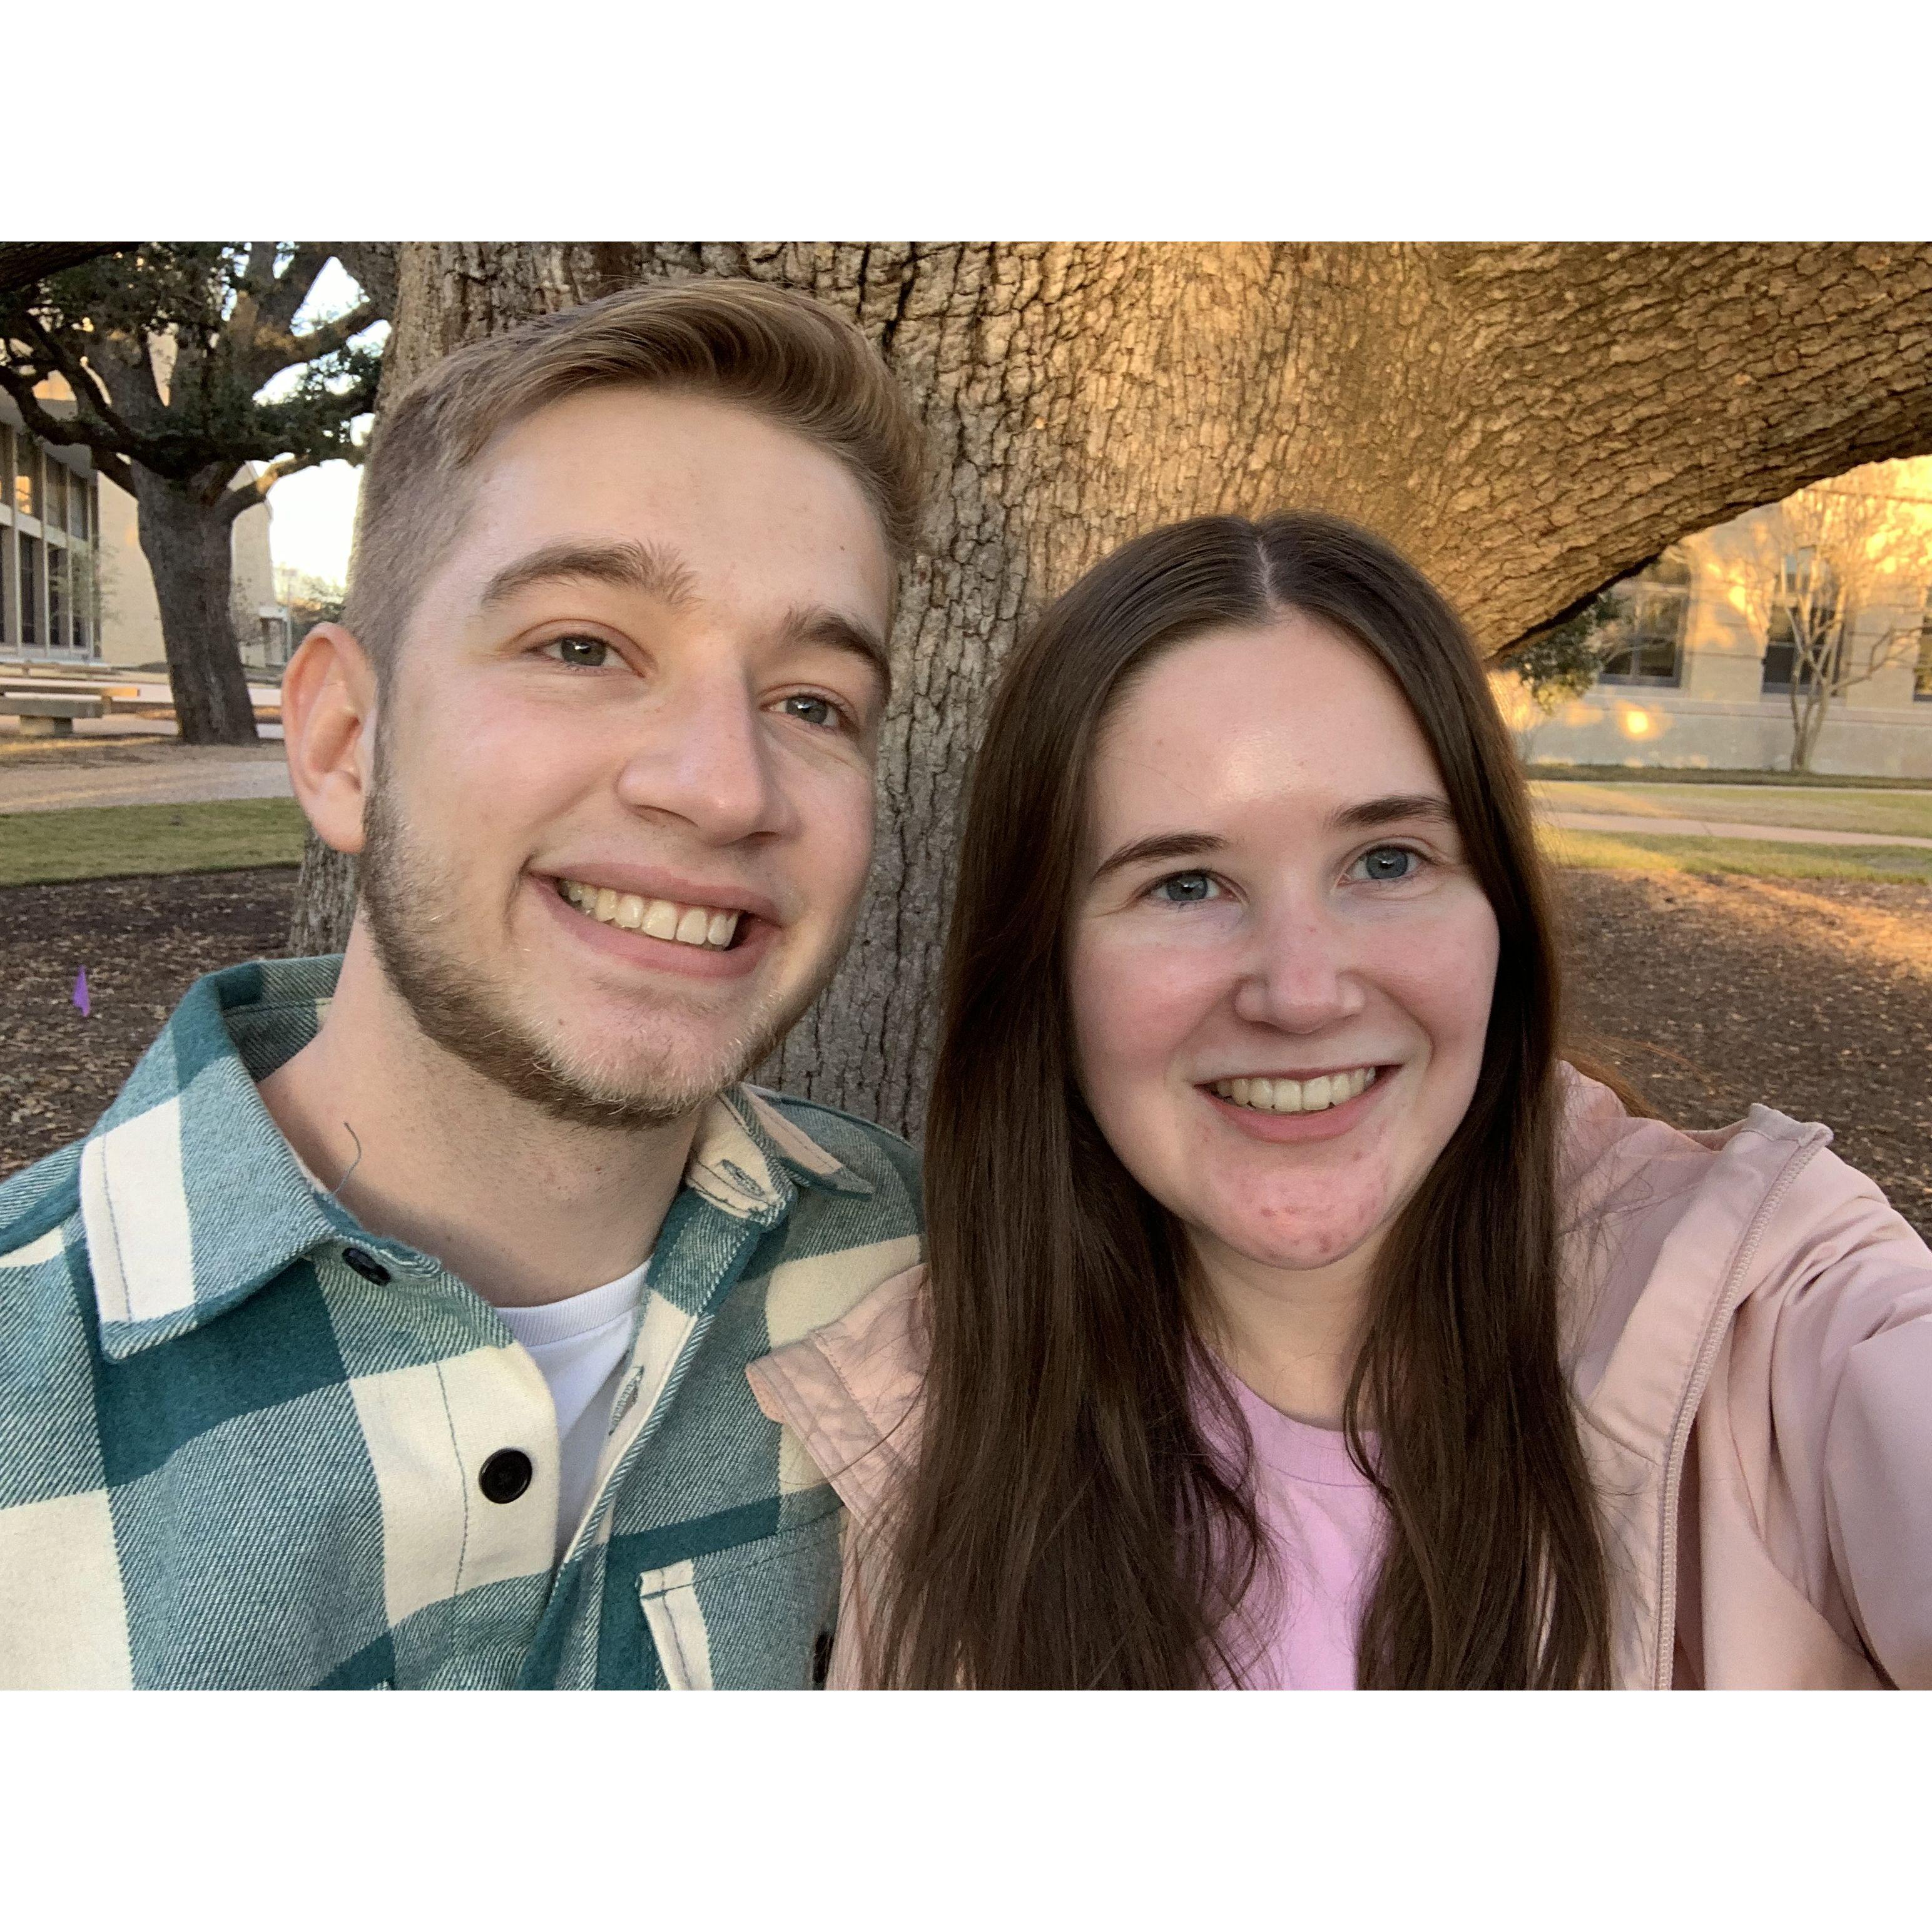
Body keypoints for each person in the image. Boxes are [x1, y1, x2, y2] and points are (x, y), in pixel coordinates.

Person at [750, 510, 1932, 1689]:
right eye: (1186, 884)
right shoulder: (916, 1416)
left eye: (1388, 862)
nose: (1303, 992)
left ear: (1500, 916)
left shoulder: (1768, 1317)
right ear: (1043, 970)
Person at [0, 281, 927, 1689]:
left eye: (812, 703)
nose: (724, 786)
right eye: (581, 647)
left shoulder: (936, 1278)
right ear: (344, 743)